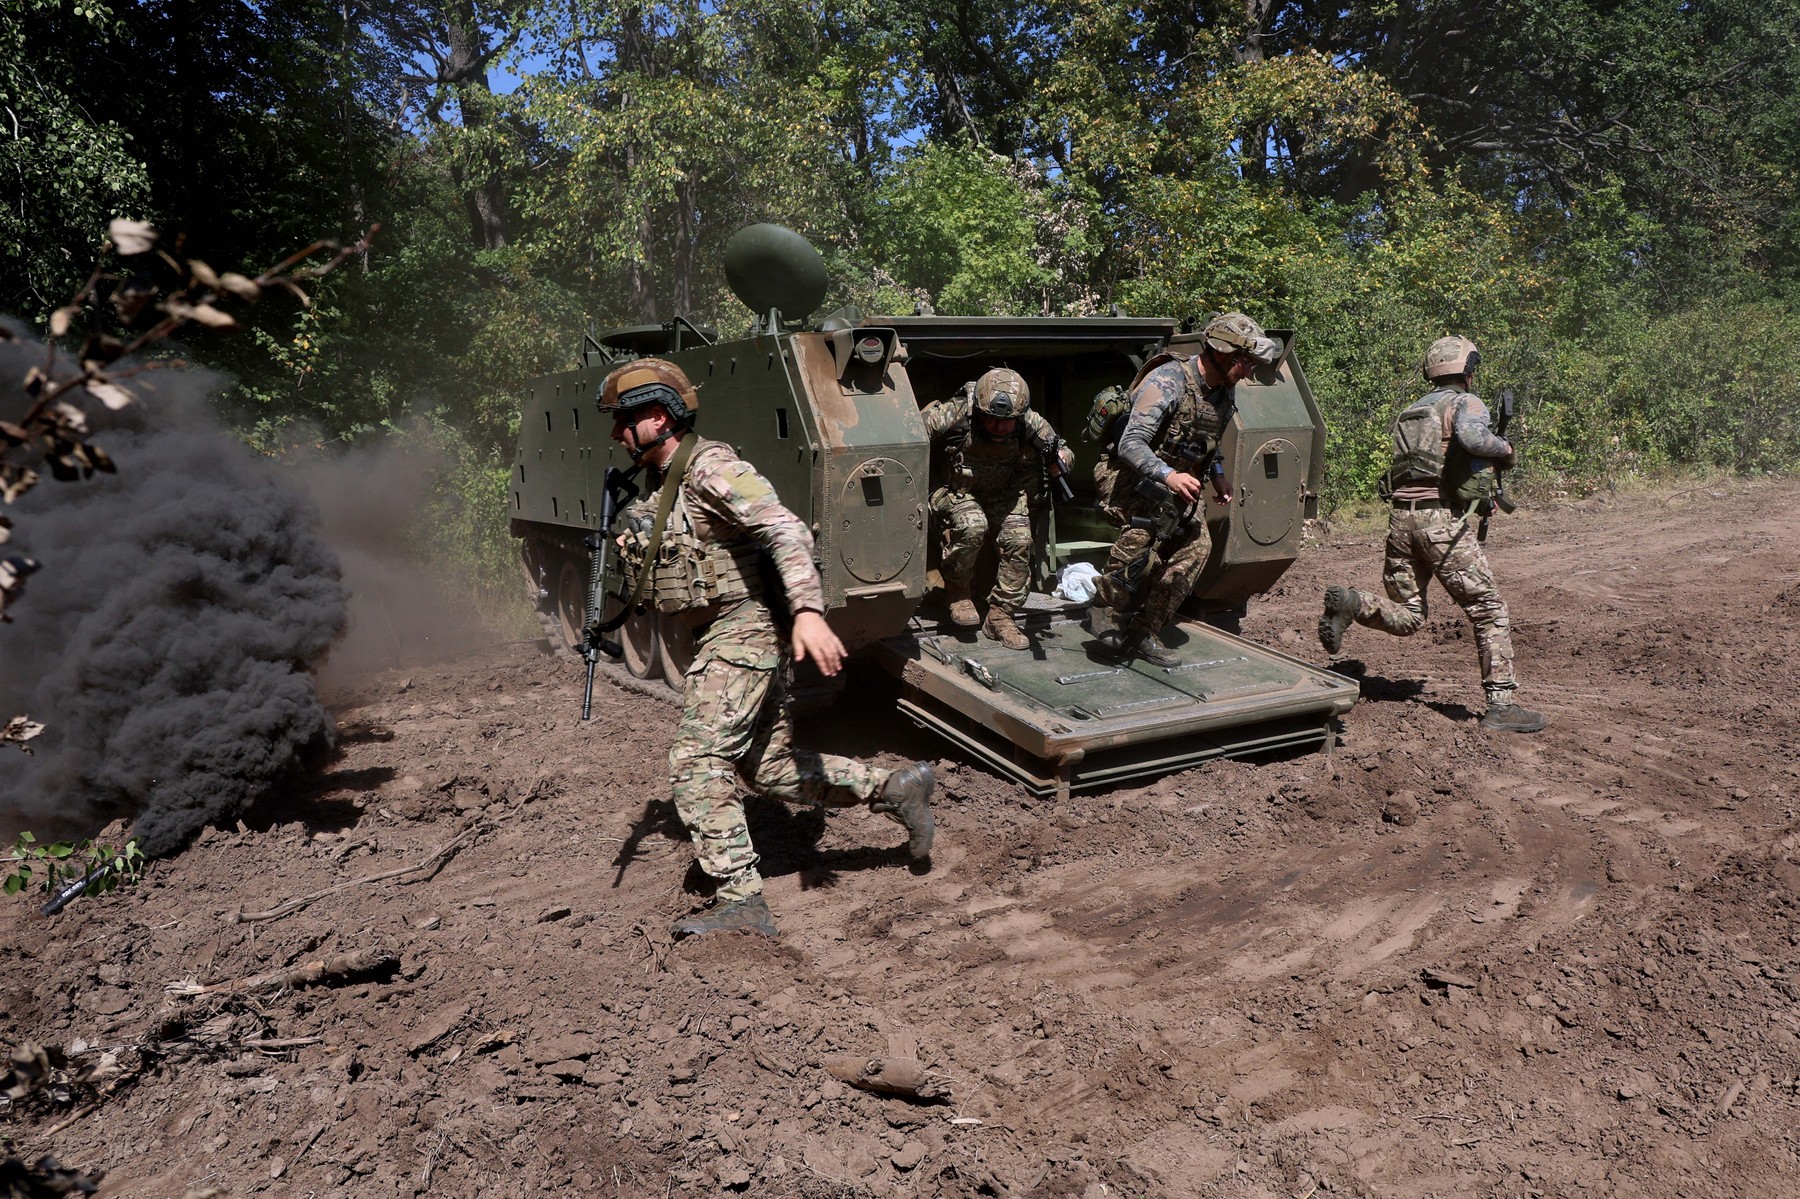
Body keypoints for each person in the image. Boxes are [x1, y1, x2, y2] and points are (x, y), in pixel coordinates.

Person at [595, 357, 937, 938]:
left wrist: (808, 612)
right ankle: (893, 787)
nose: (615, 434)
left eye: (623, 421)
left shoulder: (710, 468)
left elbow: (786, 528)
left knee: (697, 760)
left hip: (744, 630)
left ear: (658, 418)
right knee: (767, 767)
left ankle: (742, 901)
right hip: (736, 632)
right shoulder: (670, 479)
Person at [1316, 335, 1548, 733]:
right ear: (1468, 370)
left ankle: (1354, 603)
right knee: (1488, 609)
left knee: (1409, 615)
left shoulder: (1411, 411)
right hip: (1440, 522)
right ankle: (1502, 706)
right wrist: (1506, 450)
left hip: (1401, 521)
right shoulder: (1465, 402)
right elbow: (1473, 438)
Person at [1082, 312, 1281, 667]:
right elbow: (1130, 444)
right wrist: (1168, 475)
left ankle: (1144, 630)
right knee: (1145, 532)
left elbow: (1208, 441)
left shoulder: (1223, 392)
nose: (1249, 371)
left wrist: (1217, 474)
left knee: (1198, 547)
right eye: (1246, 362)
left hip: (1174, 484)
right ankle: (1105, 607)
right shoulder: (1168, 380)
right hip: (1128, 475)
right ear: (1222, 353)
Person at [921, 367, 1074, 650]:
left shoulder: (1028, 421)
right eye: (992, 419)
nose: (1000, 428)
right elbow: (913, 439)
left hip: (1004, 494)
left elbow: (1062, 448)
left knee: (1020, 540)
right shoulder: (955, 413)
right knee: (973, 525)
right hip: (956, 489)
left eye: (1008, 422)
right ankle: (958, 593)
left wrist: (1061, 459)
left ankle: (1000, 615)